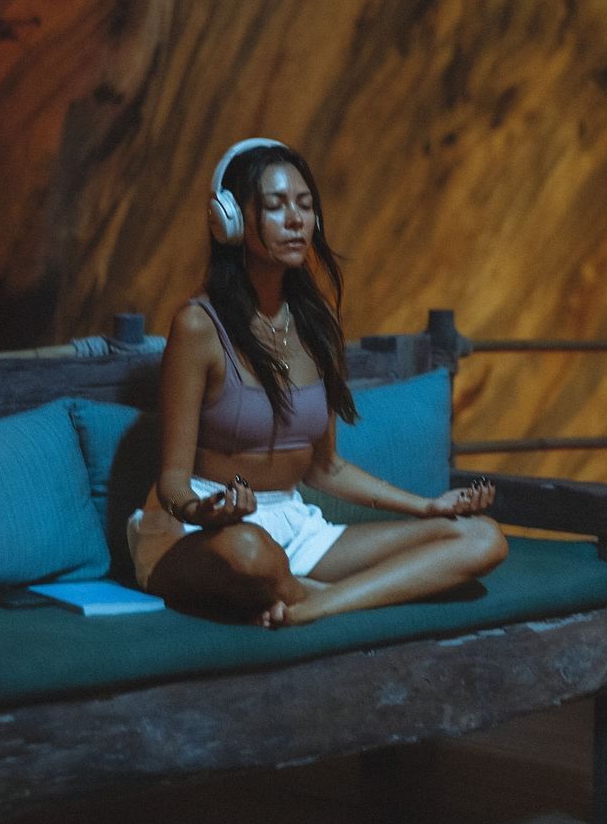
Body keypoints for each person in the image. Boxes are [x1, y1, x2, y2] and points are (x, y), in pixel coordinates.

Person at [128, 138, 507, 627]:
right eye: (277, 206)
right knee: (250, 552)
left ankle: (317, 603)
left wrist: (428, 507)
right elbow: (173, 481)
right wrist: (205, 511)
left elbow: (324, 469)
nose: (296, 220)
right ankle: (336, 592)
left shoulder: (316, 324)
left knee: (482, 537)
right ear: (231, 220)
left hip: (294, 525)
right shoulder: (199, 327)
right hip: (198, 534)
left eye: (305, 206)